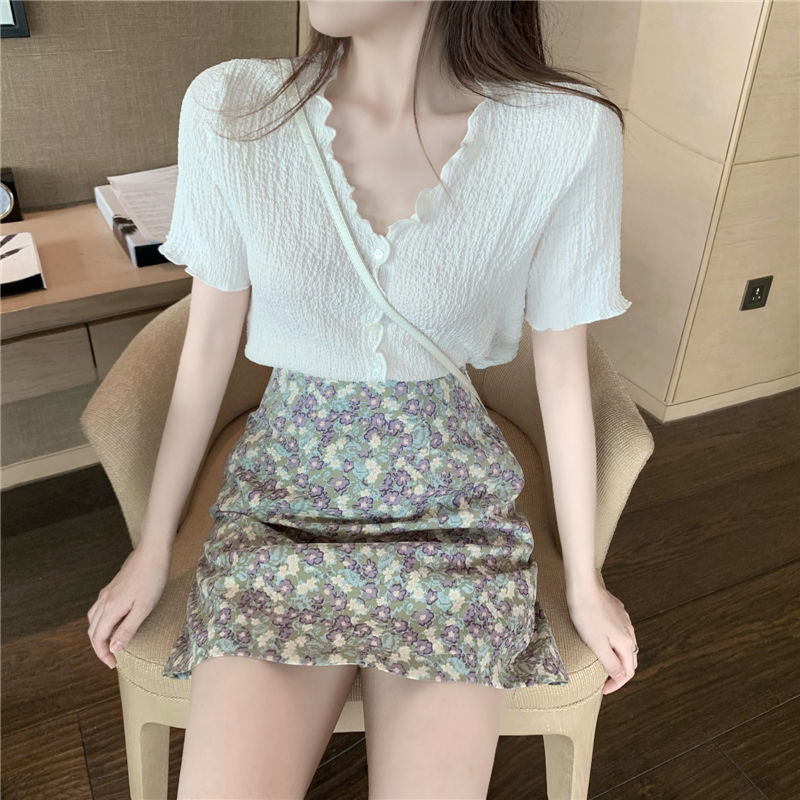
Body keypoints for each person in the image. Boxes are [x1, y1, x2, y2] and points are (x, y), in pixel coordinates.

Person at [86, 1, 640, 797]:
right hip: (282, 508)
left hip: (451, 519)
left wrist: (584, 581)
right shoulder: (232, 107)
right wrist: (152, 546)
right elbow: (207, 345)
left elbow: (563, 371)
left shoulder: (565, 131)